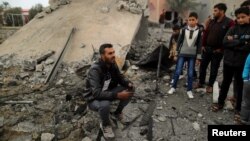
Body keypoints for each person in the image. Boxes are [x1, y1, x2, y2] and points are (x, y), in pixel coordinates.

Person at [84, 43, 134, 139]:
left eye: (113, 52)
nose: (113, 55)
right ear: (102, 56)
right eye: (110, 53)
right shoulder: (95, 70)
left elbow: (120, 77)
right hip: (93, 98)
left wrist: (128, 83)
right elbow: (96, 93)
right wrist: (117, 95)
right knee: (105, 104)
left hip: (107, 91)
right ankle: (106, 125)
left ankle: (117, 113)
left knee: (130, 89)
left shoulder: (112, 64)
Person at [211, 7, 250, 123]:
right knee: (225, 83)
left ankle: (238, 109)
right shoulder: (233, 28)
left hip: (241, 64)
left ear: (249, 16)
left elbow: (248, 47)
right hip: (228, 62)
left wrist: (233, 42)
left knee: (240, 86)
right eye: (238, 18)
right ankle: (220, 103)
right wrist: (241, 42)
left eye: (243, 17)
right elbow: (225, 42)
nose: (240, 20)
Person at [194, 3, 234, 93]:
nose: (213, 12)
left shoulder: (229, 22)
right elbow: (205, 33)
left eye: (215, 10)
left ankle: (210, 85)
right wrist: (203, 45)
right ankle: (201, 82)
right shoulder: (212, 21)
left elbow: (230, 38)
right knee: (202, 67)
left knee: (214, 69)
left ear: (222, 11)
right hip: (207, 49)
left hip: (217, 51)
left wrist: (222, 49)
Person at [167, 12, 202, 99]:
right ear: (187, 21)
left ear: (197, 20)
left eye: (193, 20)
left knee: (190, 74)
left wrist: (198, 57)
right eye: (189, 20)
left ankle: (189, 90)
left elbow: (199, 45)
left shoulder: (199, 32)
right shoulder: (183, 30)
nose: (191, 21)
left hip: (192, 56)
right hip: (182, 54)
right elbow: (179, 42)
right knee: (178, 71)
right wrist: (176, 53)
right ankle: (173, 87)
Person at [241, 54, 250, 125]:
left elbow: (246, 66)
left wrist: (245, 78)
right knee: (246, 101)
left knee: (246, 102)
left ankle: (244, 119)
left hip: (248, 81)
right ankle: (244, 119)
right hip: (248, 82)